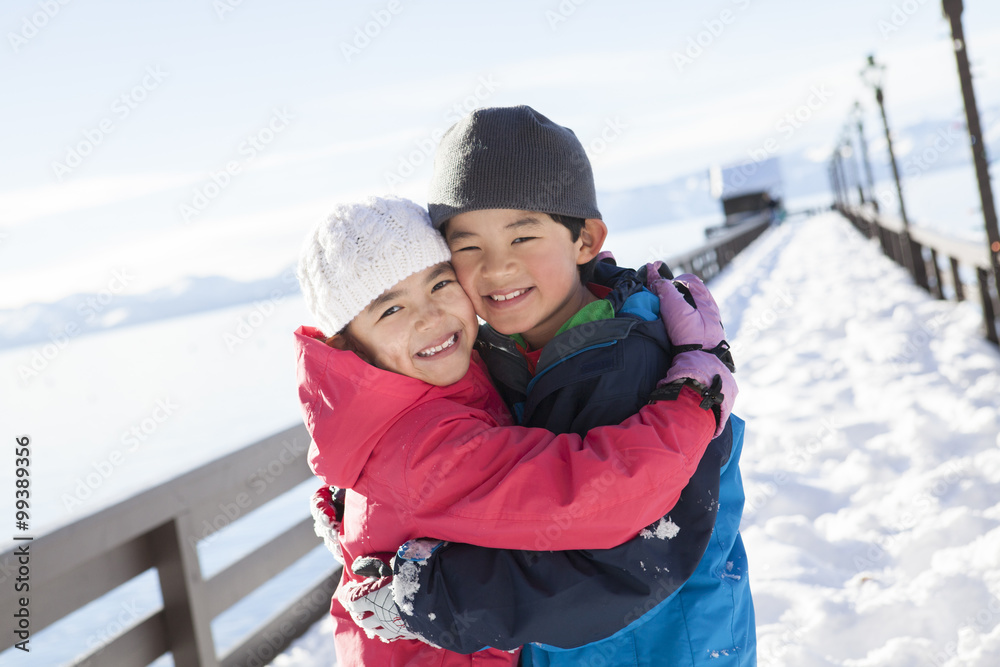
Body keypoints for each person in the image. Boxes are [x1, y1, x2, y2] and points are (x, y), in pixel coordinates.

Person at [343, 106, 756, 665]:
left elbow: (627, 567)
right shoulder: (497, 355)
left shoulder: (630, 362)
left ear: (585, 239)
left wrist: (432, 600)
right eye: (467, 247)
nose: (496, 268)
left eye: (523, 236)